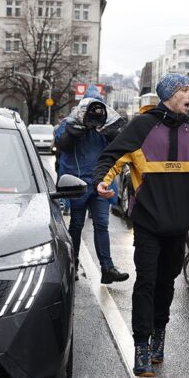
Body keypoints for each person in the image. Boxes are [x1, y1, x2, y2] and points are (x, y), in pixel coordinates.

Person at [93, 73, 189, 377]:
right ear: (171, 94)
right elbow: (113, 157)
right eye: (186, 89)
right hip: (148, 223)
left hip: (179, 225)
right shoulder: (142, 126)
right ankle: (141, 346)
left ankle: (159, 334)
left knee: (166, 283)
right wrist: (102, 182)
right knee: (146, 282)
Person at [55, 85, 130, 285]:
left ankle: (107, 268)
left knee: (101, 224)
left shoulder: (106, 126)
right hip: (79, 183)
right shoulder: (70, 123)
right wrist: (73, 132)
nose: (95, 114)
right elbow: (61, 145)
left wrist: (110, 131)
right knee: (77, 224)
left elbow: (119, 146)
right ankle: (73, 263)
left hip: (100, 183)